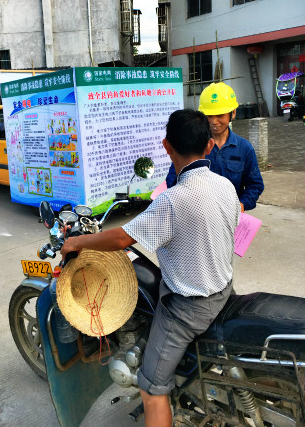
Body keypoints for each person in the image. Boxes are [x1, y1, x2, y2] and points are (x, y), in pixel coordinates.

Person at [61, 109, 240, 427]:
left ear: (166, 146)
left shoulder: (172, 201)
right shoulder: (225, 186)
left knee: (151, 387)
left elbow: (121, 238)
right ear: (209, 145)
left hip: (188, 309)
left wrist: (76, 242)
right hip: (224, 289)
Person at [166, 82, 264, 212]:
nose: (214, 121)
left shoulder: (244, 148)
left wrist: (241, 205)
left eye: (220, 115)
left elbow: (255, 185)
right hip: (197, 214)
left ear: (233, 113)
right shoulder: (191, 143)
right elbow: (173, 178)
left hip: (230, 216)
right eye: (209, 116)